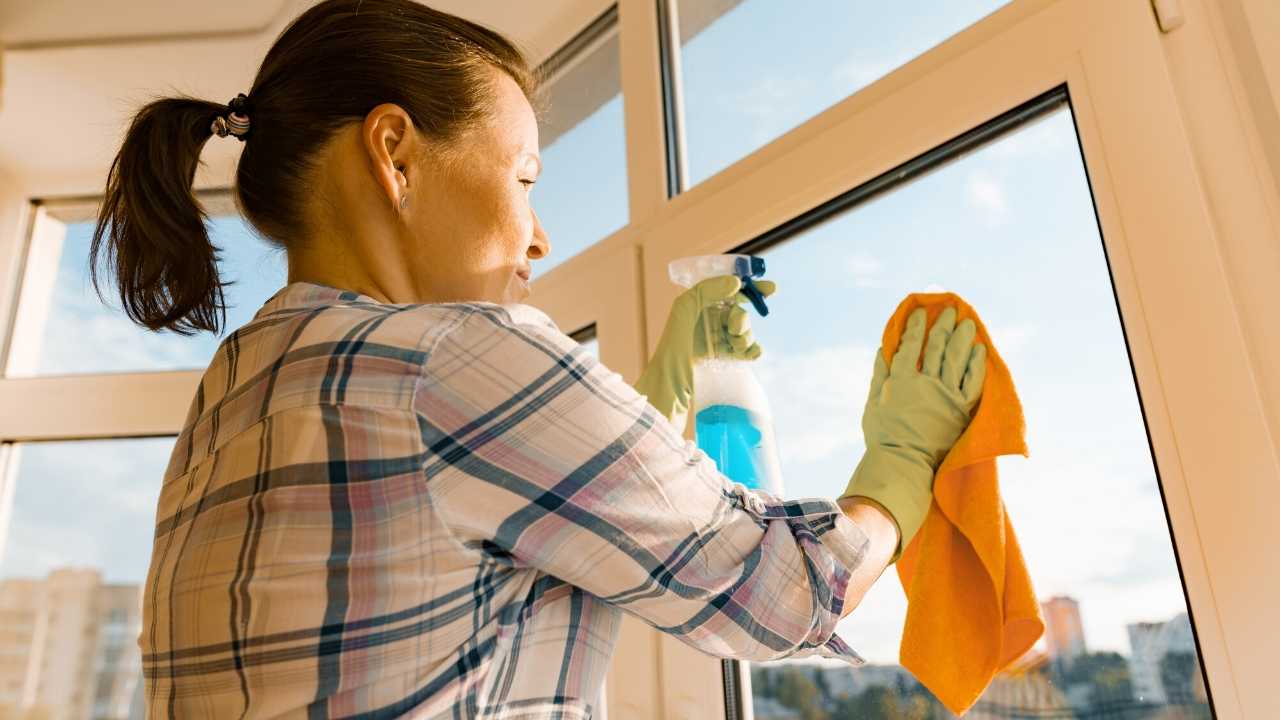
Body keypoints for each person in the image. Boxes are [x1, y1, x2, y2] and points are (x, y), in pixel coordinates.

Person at [91, 0, 986, 716]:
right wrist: (901, 464)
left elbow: (479, 544)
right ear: (394, 153)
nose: (540, 235)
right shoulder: (452, 355)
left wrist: (665, 386)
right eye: (524, 178)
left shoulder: (233, 391)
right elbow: (783, 595)